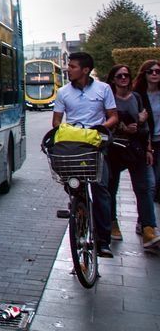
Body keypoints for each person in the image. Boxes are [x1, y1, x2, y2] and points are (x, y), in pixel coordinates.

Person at [52, 52, 119, 257]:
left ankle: (103, 240)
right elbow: (56, 122)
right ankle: (79, 212)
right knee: (74, 186)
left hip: (96, 146)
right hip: (75, 145)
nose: (68, 69)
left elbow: (113, 117)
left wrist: (99, 129)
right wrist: (68, 133)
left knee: (101, 191)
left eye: (72, 67)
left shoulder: (103, 89)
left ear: (85, 70)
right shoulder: (63, 92)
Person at [104, 64, 158, 248]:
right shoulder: (108, 98)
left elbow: (145, 126)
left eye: (126, 75)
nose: (124, 78)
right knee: (111, 188)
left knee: (144, 189)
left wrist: (149, 148)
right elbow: (105, 121)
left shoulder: (136, 97)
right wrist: (124, 127)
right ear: (113, 79)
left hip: (136, 148)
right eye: (119, 76)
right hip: (115, 149)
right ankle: (112, 224)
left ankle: (149, 229)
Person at [132, 59, 160, 203]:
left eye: (158, 71)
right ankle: (145, 220)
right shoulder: (138, 95)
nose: (155, 74)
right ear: (145, 74)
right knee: (150, 183)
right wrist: (139, 120)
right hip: (146, 143)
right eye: (151, 71)